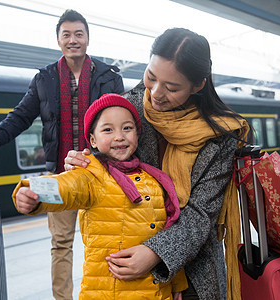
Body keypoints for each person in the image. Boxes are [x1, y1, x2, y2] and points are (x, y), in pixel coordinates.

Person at [65, 28, 251, 300]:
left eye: (172, 87)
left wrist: (156, 253)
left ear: (198, 85)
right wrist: (84, 162)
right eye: (151, 77)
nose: (155, 93)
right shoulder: (127, 109)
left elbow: (201, 214)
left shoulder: (220, 135)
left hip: (194, 273)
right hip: (129, 268)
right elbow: (107, 166)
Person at [0, 9, 124, 299]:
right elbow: (21, 116)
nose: (73, 40)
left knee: (108, 240)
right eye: (66, 34)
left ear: (88, 39)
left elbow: (122, 119)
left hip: (103, 173)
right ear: (58, 40)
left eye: (78, 34)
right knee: (61, 244)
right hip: (60, 174)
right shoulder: (44, 79)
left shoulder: (108, 78)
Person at [13, 93, 187, 299]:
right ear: (93, 141)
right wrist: (34, 193)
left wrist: (177, 281)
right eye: (108, 130)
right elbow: (68, 186)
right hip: (108, 292)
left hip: (157, 292)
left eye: (127, 128)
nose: (119, 136)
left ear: (137, 135)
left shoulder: (154, 179)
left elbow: (167, 233)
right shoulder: (91, 175)